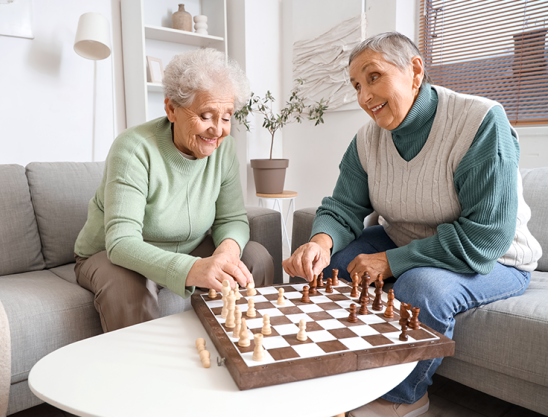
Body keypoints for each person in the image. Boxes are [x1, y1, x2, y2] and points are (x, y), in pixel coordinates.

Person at [283, 32, 542, 417]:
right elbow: (343, 206)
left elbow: (485, 236)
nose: (364, 98)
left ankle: (405, 396)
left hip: (495, 256)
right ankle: (340, 373)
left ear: (415, 71)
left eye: (374, 77)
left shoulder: (480, 121)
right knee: (330, 266)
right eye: (356, 85)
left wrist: (390, 262)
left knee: (419, 285)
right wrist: (320, 242)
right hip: (405, 237)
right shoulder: (366, 140)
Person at [74, 48, 274, 333]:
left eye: (227, 117)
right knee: (129, 289)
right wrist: (193, 269)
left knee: (254, 258)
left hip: (189, 244)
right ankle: (143, 375)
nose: (218, 130)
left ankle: (241, 350)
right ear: (171, 110)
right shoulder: (133, 149)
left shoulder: (224, 149)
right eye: (206, 116)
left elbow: (231, 219)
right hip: (111, 254)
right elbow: (120, 242)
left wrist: (226, 255)